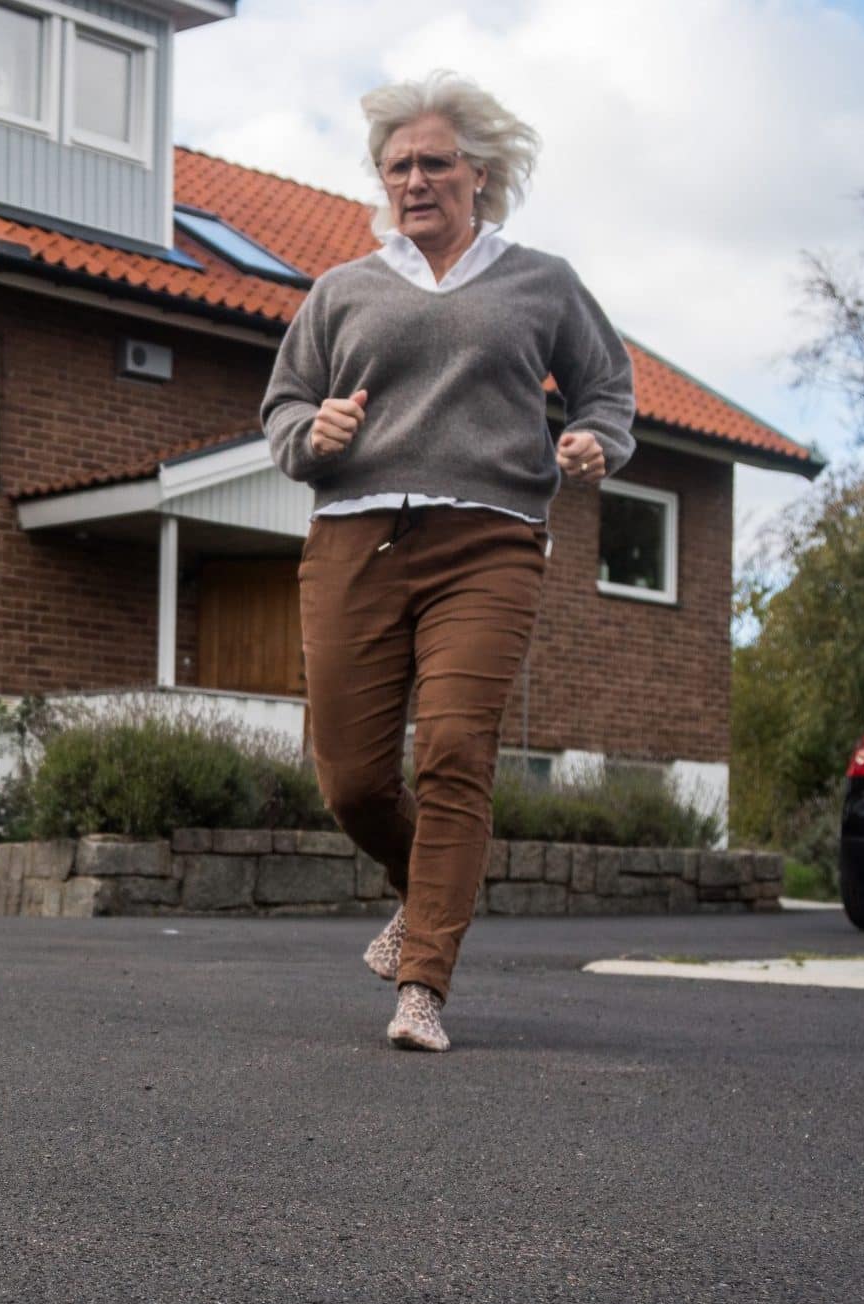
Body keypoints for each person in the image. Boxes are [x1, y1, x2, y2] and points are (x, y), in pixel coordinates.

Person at [259, 72, 636, 1053]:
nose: (414, 180)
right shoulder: (342, 290)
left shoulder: (539, 281)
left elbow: (606, 390)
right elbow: (282, 410)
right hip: (355, 536)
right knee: (345, 779)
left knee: (457, 752)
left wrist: (598, 442)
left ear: (479, 174)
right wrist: (318, 432)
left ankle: (421, 982)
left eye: (433, 163)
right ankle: (421, 889)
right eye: (397, 167)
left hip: (489, 540)